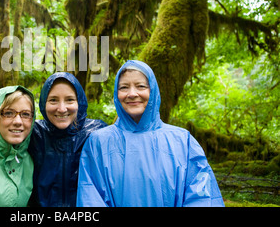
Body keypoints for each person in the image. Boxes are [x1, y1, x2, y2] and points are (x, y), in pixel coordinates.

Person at [76, 60, 225, 207]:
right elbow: (90, 198)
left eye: (141, 86)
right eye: (124, 87)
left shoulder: (183, 141)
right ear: (116, 93)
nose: (132, 94)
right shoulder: (98, 143)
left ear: (152, 90)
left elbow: (201, 197)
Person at [28, 72, 107, 207]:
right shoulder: (34, 133)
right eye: (53, 100)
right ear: (43, 103)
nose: (62, 108)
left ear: (79, 102)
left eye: (70, 100)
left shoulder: (96, 132)